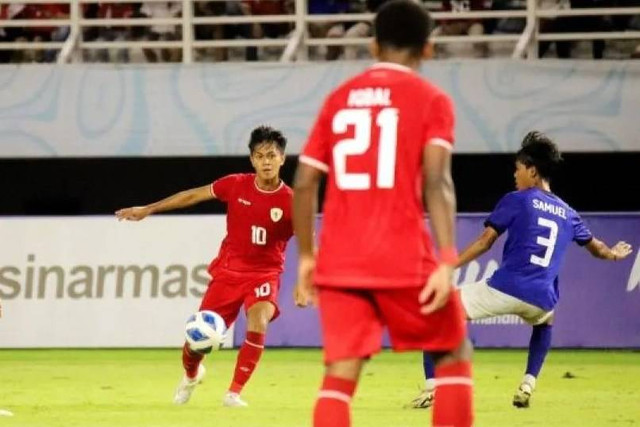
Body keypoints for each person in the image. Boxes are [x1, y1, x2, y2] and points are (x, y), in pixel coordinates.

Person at [292, 1, 474, 426]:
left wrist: (306, 255)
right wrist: (447, 258)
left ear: (372, 46)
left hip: (339, 262)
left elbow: (303, 182)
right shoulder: (432, 100)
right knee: (453, 351)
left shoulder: (338, 100)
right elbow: (437, 182)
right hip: (402, 257)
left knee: (341, 371)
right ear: (428, 49)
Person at [411, 131, 633, 410]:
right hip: (541, 299)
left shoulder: (517, 199)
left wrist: (448, 265)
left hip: (507, 288)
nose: (514, 175)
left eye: (517, 169)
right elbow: (597, 248)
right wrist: (614, 254)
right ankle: (528, 382)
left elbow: (485, 242)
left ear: (532, 171)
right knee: (545, 322)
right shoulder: (568, 213)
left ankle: (433, 387)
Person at [115, 125, 293, 407]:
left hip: (264, 274)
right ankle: (191, 375)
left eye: (272, 155)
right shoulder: (236, 184)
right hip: (227, 273)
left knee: (258, 321)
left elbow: (310, 243)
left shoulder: (291, 201)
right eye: (260, 156)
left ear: (282, 158)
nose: (266, 161)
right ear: (252, 160)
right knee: (195, 343)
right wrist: (148, 209)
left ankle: (233, 393)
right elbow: (192, 195)